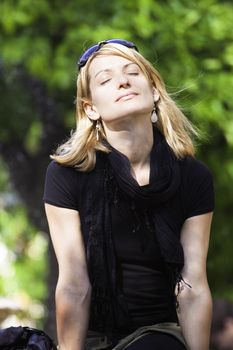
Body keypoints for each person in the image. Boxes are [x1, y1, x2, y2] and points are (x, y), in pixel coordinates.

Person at [43, 39, 215, 350]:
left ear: (155, 91)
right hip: (95, 336)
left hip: (159, 334)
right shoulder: (66, 175)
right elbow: (73, 284)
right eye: (105, 79)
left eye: (132, 73)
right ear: (91, 108)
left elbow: (192, 287)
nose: (122, 81)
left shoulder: (193, 176)